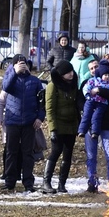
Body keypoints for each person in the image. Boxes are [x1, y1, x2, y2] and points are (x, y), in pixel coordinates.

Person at [0, 54, 45, 192]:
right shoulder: (10, 79)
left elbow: (42, 102)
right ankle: (10, 181)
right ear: (13, 65)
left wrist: (40, 118)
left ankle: (28, 182)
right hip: (12, 121)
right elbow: (6, 88)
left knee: (28, 153)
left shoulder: (35, 81)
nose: (22, 65)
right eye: (18, 63)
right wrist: (15, 72)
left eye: (23, 63)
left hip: (29, 122)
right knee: (11, 152)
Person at [82, 62, 109, 193]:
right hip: (90, 126)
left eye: (96, 68)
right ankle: (92, 181)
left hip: (107, 124)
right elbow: (81, 98)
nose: (93, 70)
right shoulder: (87, 83)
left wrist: (98, 90)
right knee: (91, 155)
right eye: (92, 68)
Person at [42, 61, 81, 194]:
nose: (71, 74)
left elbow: (77, 104)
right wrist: (52, 129)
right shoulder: (52, 86)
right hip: (58, 125)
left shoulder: (74, 84)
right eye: (67, 73)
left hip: (71, 125)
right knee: (55, 152)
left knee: (68, 155)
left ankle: (61, 184)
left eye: (71, 71)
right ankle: (46, 182)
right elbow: (50, 109)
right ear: (61, 75)